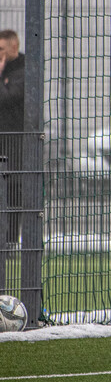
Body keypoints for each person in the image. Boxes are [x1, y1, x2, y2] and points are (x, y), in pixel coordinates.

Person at [0, 29, 25, 246]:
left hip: (15, 143)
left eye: (1, 48)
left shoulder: (24, 69)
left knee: (13, 192)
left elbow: (7, 97)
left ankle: (10, 243)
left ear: (13, 47)